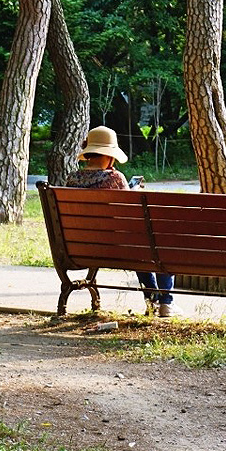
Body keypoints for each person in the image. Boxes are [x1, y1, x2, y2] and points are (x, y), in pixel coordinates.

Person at [66, 125, 174, 318]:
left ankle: (153, 301)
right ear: (110, 156)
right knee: (161, 245)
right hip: (117, 247)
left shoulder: (72, 179)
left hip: (79, 247)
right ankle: (164, 302)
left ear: (89, 154)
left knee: (141, 249)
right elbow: (130, 213)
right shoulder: (115, 178)